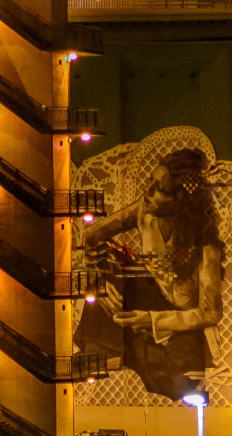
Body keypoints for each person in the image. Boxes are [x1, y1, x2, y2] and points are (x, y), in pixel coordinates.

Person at [75, 148, 223, 401]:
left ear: (181, 198)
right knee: (113, 266)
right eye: (151, 182)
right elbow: (90, 236)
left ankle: (126, 351)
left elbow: (210, 313)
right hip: (149, 294)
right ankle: (104, 351)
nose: (148, 191)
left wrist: (150, 320)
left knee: (176, 380)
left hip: (180, 320)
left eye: (159, 188)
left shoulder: (205, 242)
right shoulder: (144, 209)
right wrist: (97, 280)